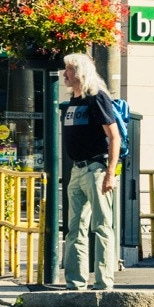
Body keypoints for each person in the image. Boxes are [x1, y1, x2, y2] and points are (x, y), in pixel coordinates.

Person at [59, 52, 121, 291]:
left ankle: (104, 281)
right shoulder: (73, 102)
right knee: (74, 228)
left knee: (102, 226)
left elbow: (113, 136)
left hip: (96, 168)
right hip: (77, 169)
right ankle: (75, 282)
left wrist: (109, 173)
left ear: (80, 72)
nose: (65, 74)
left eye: (69, 69)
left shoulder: (97, 98)